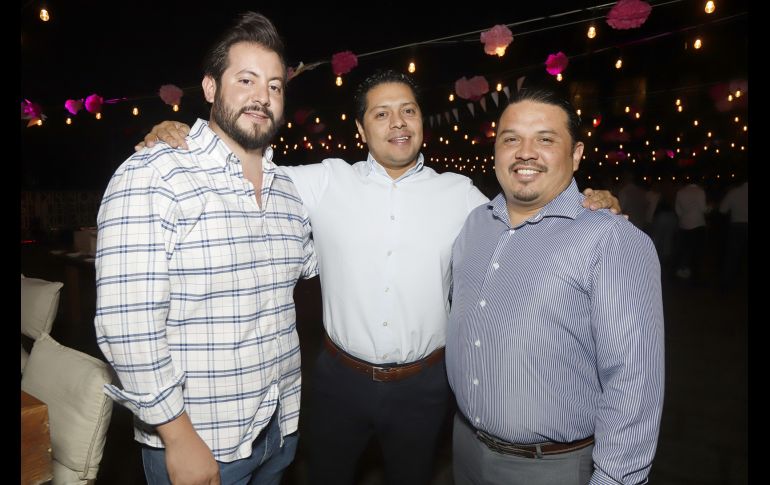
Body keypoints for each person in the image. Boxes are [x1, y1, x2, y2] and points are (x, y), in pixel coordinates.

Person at [142, 71, 621, 485]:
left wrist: (585, 203)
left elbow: (524, 221)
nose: (398, 123)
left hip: (426, 384)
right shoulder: (327, 180)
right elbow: (244, 171)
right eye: (382, 113)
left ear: (421, 121)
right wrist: (184, 138)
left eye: (408, 111)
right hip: (337, 381)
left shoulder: (460, 195)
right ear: (360, 128)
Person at [94, 12, 317, 485]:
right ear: (211, 88)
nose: (263, 96)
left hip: (279, 430)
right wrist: (177, 438)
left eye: (275, 86)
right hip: (203, 444)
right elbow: (127, 325)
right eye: (246, 80)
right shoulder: (155, 175)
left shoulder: (287, 192)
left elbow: (308, 271)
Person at [446, 87, 664, 485]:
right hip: (465, 450)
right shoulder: (475, 224)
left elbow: (634, 384)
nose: (525, 152)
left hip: (551, 468)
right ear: (495, 151)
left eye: (545, 139)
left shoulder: (610, 240)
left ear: (576, 154)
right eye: (511, 139)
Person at [719, 173, 748, 283]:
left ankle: (726, 283)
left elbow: (722, 209)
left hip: (737, 226)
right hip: (737, 227)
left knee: (732, 256)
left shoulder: (734, 192)